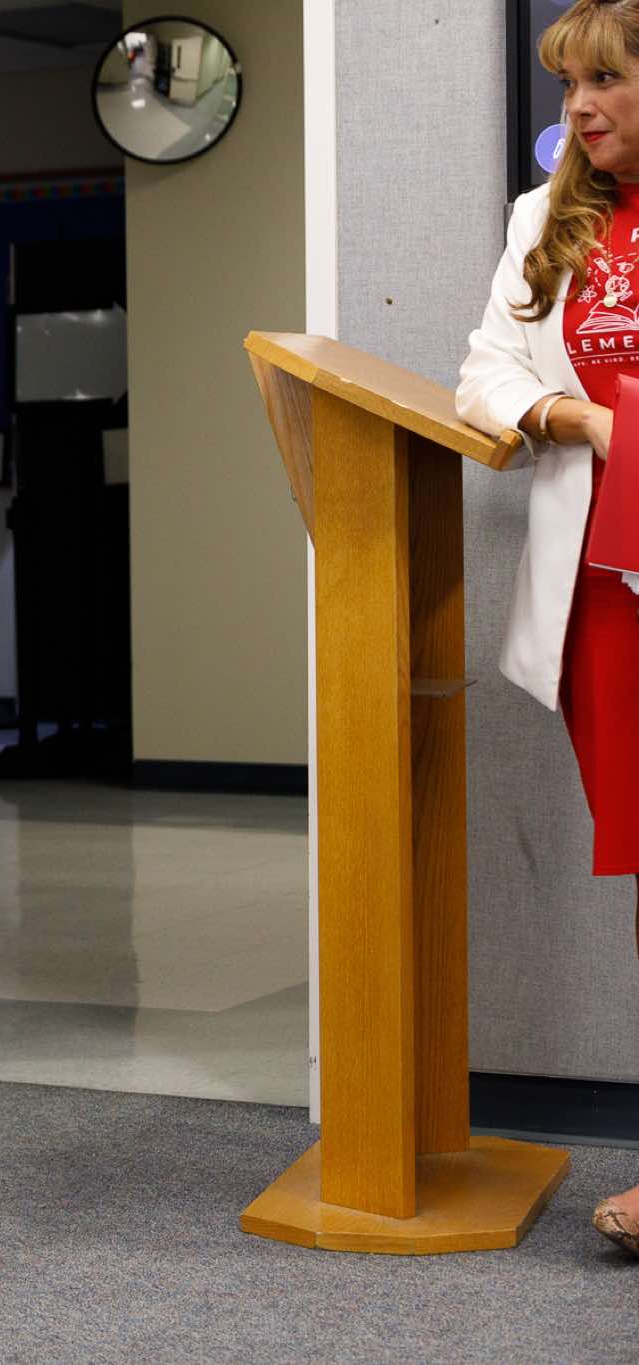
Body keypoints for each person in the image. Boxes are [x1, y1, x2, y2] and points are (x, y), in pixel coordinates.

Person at [458, 0, 639, 1259]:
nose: (577, 107)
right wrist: (580, 420)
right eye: (568, 85)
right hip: (606, 597)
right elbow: (484, 371)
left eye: (605, 81)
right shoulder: (544, 219)